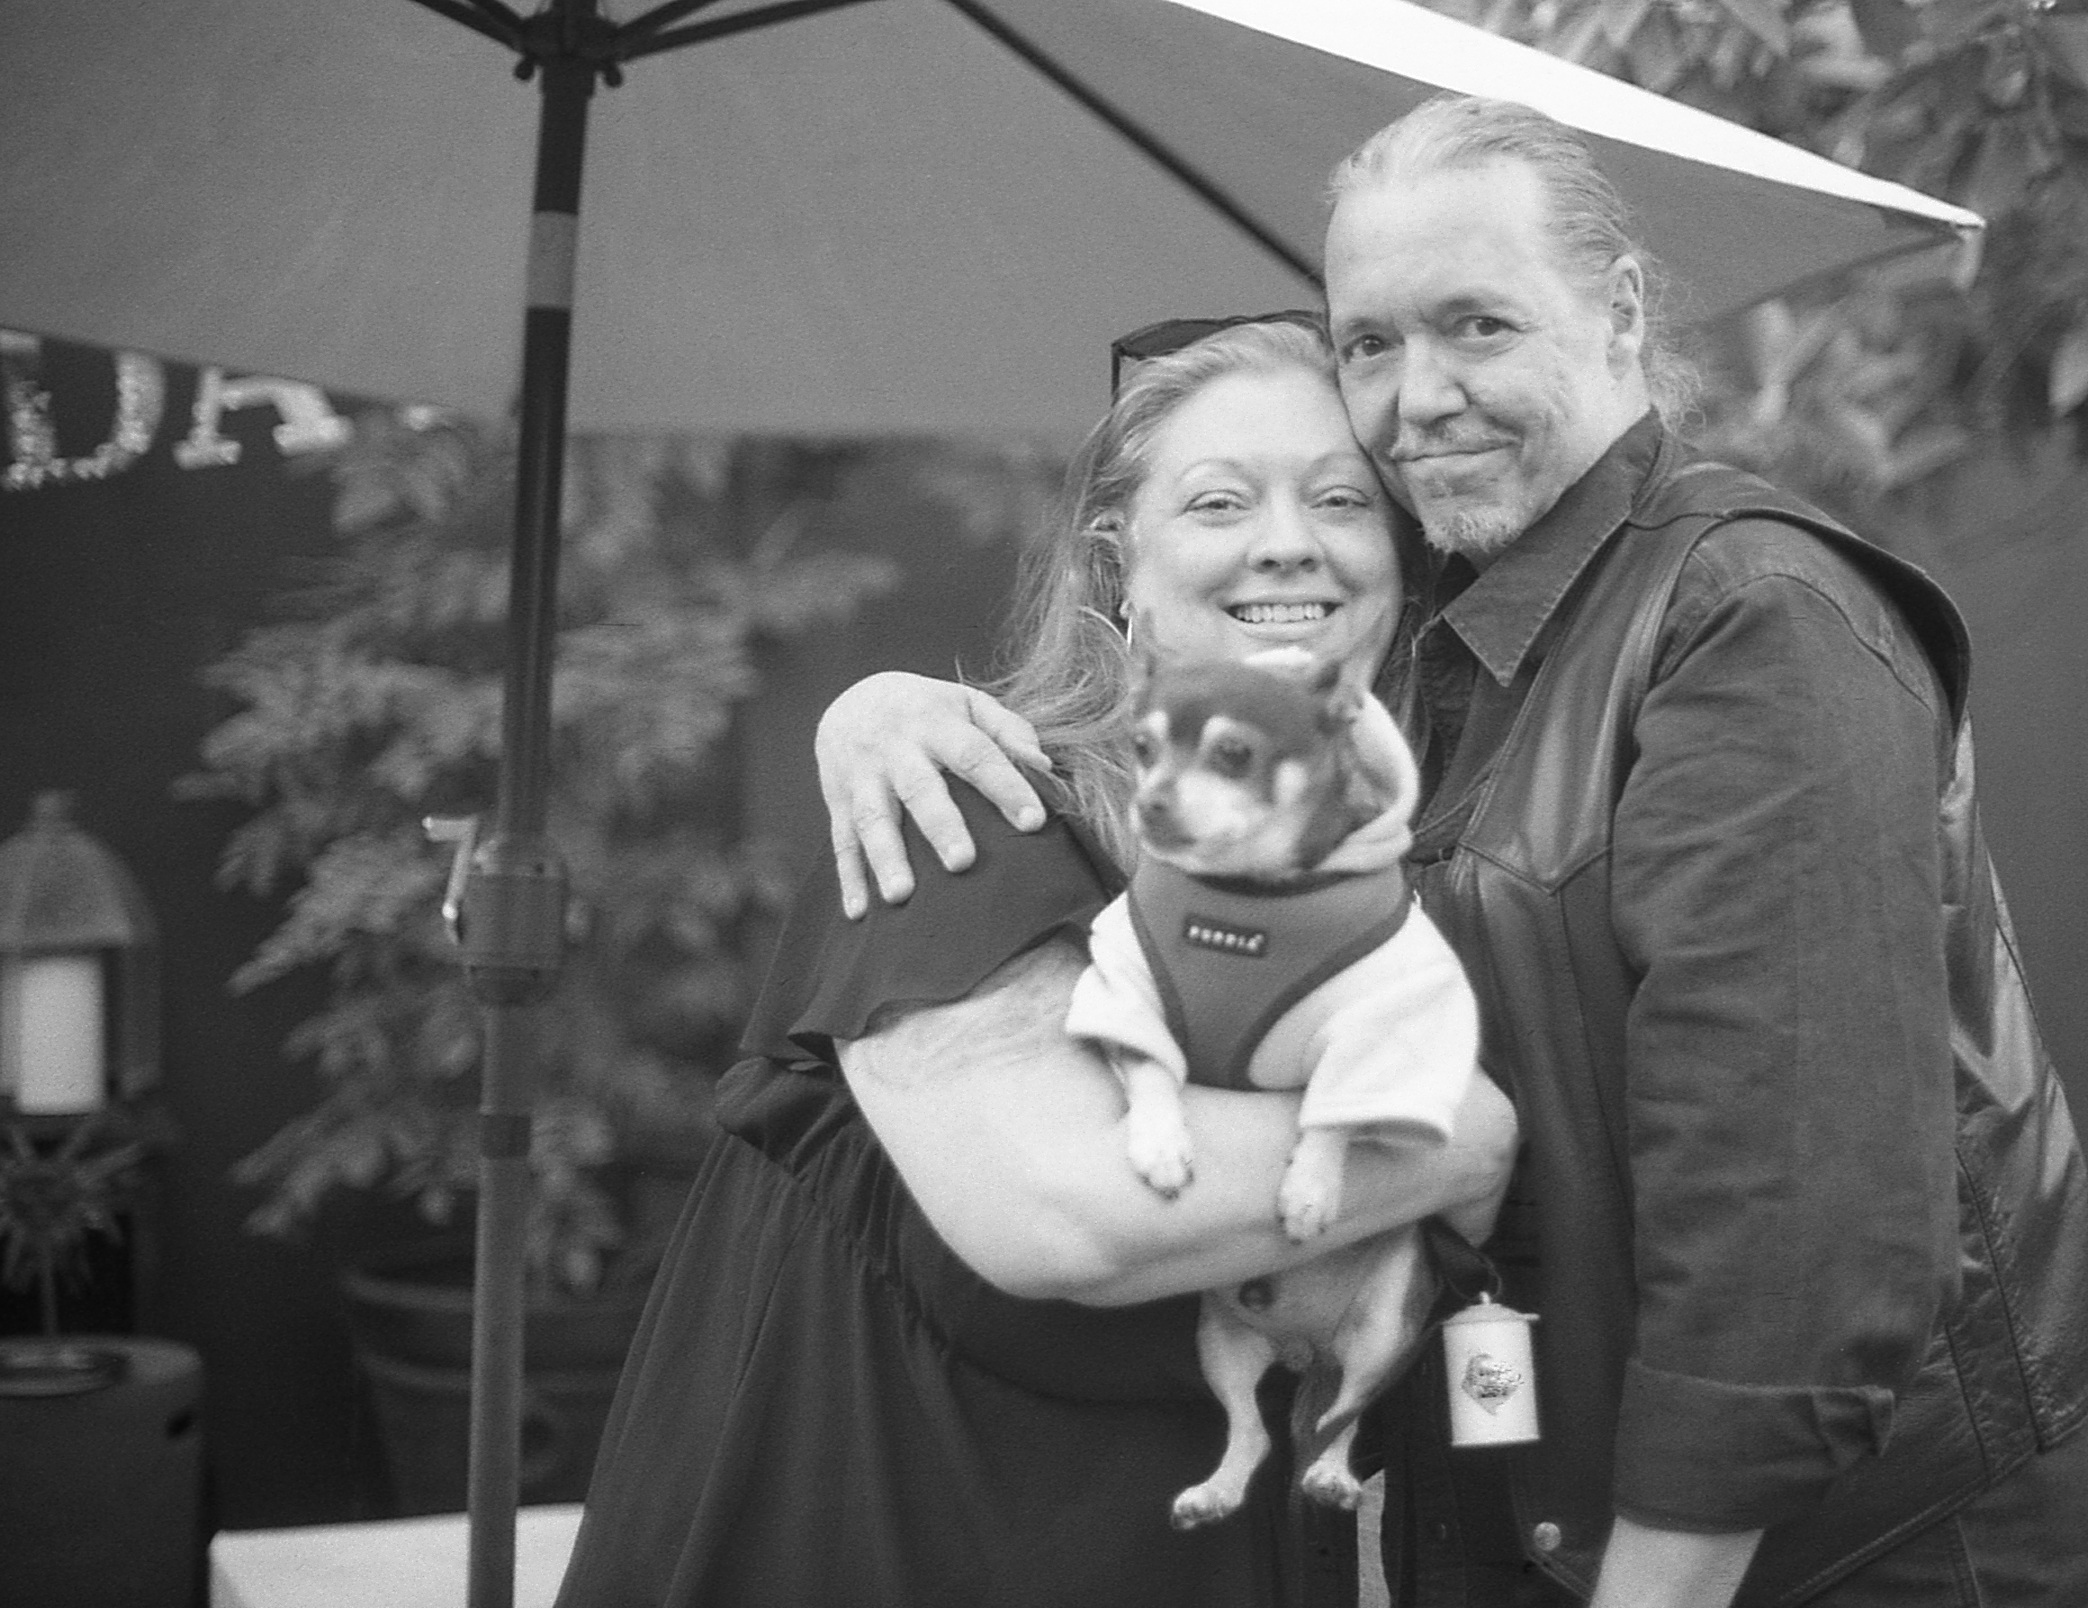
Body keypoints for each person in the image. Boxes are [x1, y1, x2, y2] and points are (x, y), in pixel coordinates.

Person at [810, 96, 2088, 1607]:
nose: (1419, 397)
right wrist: (880, 708)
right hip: (1545, 1517)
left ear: (1620, 314)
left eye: (1478, 324)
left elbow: (1796, 1227)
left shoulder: (1747, 616)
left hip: (1834, 1557)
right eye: (1369, 343)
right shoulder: (1440, 644)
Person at [551, 318, 1519, 1608]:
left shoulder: (1405, 890)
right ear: (1117, 565)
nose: (1290, 541)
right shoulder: (960, 810)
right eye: (1220, 501)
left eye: (1342, 499)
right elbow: (1063, 1210)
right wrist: (1466, 1139)